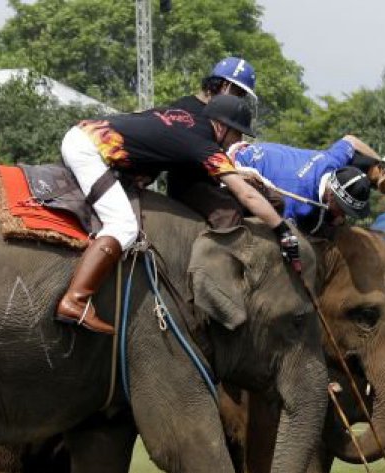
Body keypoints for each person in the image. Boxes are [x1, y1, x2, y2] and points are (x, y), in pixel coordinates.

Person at [56, 94, 294, 334]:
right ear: (221, 127)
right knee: (123, 227)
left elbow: (158, 143)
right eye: (237, 133)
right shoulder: (203, 144)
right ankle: (75, 301)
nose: (238, 140)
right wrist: (282, 230)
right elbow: (247, 196)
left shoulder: (183, 120)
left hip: (85, 133)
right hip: (88, 152)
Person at [165, 57, 260, 228]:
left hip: (214, 181)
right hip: (189, 185)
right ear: (224, 86)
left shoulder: (226, 115)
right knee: (228, 215)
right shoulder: (184, 109)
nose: (240, 100)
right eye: (239, 94)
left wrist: (239, 174)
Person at [229, 136, 380, 236]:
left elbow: (350, 141)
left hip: (268, 154)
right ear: (331, 196)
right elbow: (284, 231)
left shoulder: (334, 160)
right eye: (343, 210)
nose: (343, 216)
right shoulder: (295, 201)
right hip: (239, 163)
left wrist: (381, 163)